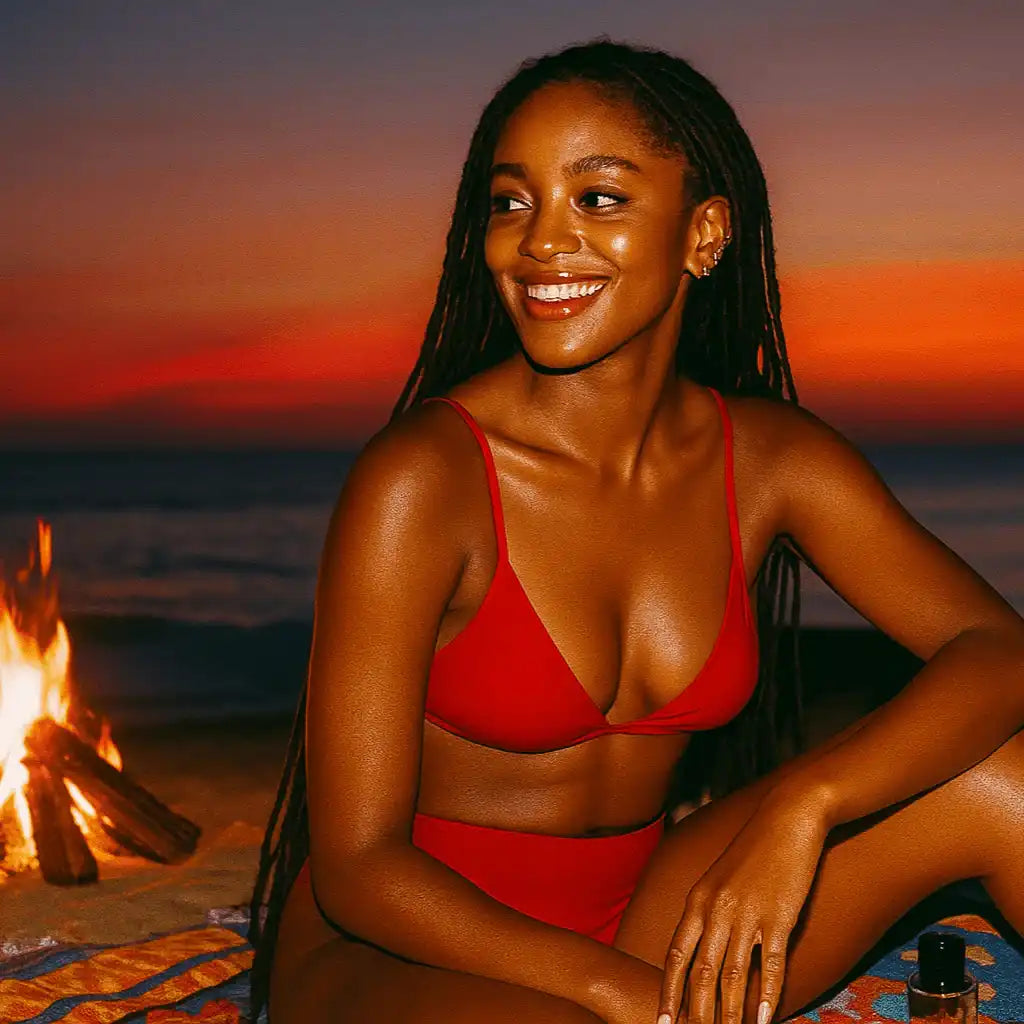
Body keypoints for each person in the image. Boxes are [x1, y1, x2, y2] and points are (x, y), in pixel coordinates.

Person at [248, 39, 1024, 1024]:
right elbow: (359, 867)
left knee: (1008, 783)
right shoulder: (424, 480)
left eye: (598, 198)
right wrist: (628, 994)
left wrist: (806, 802)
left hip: (641, 908)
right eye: (511, 200)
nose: (537, 242)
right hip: (402, 948)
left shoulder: (774, 461)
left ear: (703, 235)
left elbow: (996, 649)